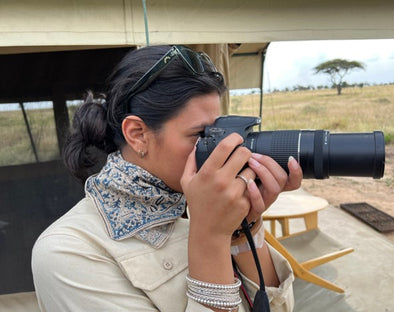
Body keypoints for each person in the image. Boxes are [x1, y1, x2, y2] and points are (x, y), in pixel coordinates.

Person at [32, 45, 303, 312]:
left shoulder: (197, 202)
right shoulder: (67, 251)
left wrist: (244, 230)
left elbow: (279, 308)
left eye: (218, 131)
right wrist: (210, 235)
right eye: (201, 135)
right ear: (137, 134)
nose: (220, 148)